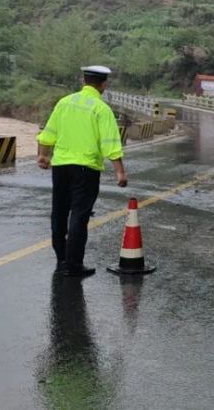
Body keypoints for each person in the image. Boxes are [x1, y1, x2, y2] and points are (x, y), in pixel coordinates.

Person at [37, 65, 127, 278]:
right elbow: (110, 143)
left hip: (60, 167)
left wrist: (43, 154)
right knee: (79, 215)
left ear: (83, 80)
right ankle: (74, 264)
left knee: (59, 212)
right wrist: (120, 172)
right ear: (103, 84)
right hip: (86, 169)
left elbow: (48, 132)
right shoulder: (101, 109)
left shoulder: (64, 103)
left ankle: (61, 259)